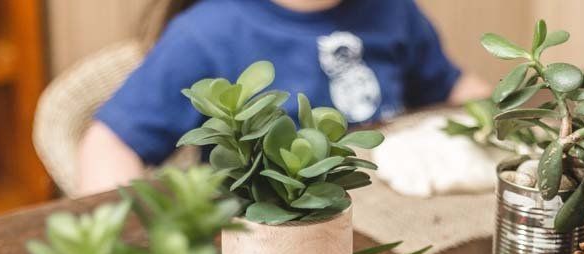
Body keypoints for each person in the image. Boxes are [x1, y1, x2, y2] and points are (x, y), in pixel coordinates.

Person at [77, 0, 490, 195]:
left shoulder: (392, 11)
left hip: (397, 222)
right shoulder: (206, 34)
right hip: (265, 247)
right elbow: (108, 144)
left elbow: (452, 88)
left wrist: (504, 116)